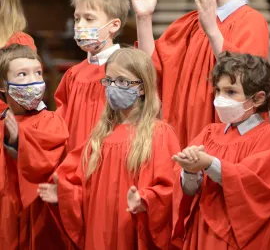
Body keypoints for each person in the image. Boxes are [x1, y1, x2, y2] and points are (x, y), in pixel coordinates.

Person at [38, 48, 180, 250]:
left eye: (122, 81)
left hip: (132, 229)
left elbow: (170, 187)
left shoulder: (159, 134)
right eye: (109, 81)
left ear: (141, 87)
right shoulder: (98, 137)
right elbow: (79, 188)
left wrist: (145, 200)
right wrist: (62, 196)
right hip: (99, 232)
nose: (113, 87)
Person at [131, 0, 270, 148]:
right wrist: (143, 18)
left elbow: (246, 80)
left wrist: (212, 30)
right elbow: (151, 69)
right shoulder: (189, 23)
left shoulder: (251, 21)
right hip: (185, 129)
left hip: (225, 135)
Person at [171, 52, 270, 249]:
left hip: (241, 238)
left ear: (258, 98)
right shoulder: (209, 133)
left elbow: (255, 186)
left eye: (231, 92)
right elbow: (188, 192)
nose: (220, 99)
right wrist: (189, 171)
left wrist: (209, 164)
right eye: (218, 91)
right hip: (202, 233)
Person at [0, 44, 69, 249]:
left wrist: (17, 142)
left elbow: (45, 162)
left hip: (42, 219)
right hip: (7, 218)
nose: (33, 80)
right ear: (3, 86)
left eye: (38, 73)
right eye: (22, 74)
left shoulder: (51, 121)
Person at [54, 0, 130, 154]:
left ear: (114, 25)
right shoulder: (73, 74)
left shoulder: (125, 71)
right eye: (77, 19)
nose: (80, 25)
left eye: (89, 19)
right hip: (74, 161)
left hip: (111, 157)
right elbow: (62, 121)